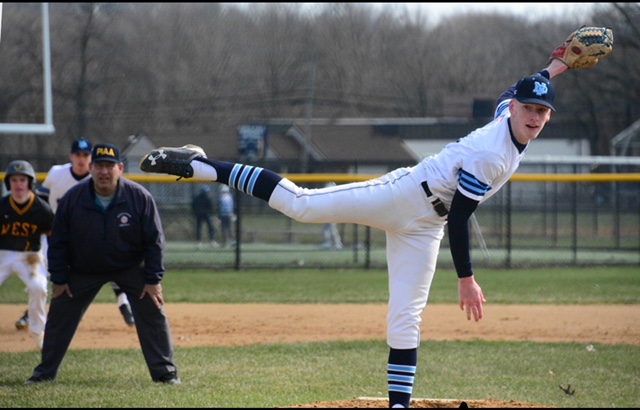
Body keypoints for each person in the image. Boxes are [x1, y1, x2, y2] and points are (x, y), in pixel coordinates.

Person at [140, 53, 569, 406]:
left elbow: (512, 90)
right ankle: (204, 166)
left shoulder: (507, 119)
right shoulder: (492, 153)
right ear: (515, 110)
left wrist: (555, 67)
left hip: (425, 229)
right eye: (529, 108)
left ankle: (398, 406)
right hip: (406, 195)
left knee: (406, 317)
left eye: (542, 111)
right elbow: (461, 220)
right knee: (302, 205)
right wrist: (466, 279)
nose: (535, 116)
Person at [26, 143, 180, 385]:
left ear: (120, 168)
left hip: (130, 266)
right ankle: (43, 374)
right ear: (91, 168)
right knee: (60, 311)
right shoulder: (73, 198)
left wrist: (153, 280)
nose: (104, 172)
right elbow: (59, 242)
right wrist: (60, 278)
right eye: (99, 166)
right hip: (84, 268)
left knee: (153, 308)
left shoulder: (139, 197)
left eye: (110, 166)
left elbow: (154, 241)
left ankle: (166, 374)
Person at [15, 139, 135, 330]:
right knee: (42, 275)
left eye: (86, 155)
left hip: (85, 236)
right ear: (71, 156)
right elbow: (41, 201)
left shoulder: (96, 179)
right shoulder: (57, 173)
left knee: (111, 263)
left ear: (91, 158)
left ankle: (124, 304)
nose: (81, 159)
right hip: (54, 234)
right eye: (78, 155)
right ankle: (31, 314)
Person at [0, 160, 54, 350]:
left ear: (30, 182)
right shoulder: (2, 206)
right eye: (14, 180)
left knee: (39, 287)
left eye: (23, 179)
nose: (18, 184)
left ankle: (39, 332)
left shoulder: (42, 210)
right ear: (8, 184)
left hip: (30, 256)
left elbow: (52, 238)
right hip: (3, 254)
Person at [320, 182, 343, 250]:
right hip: (328, 215)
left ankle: (338, 243)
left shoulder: (334, 197)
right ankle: (328, 243)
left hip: (332, 215)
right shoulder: (327, 197)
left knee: (332, 229)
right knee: (326, 229)